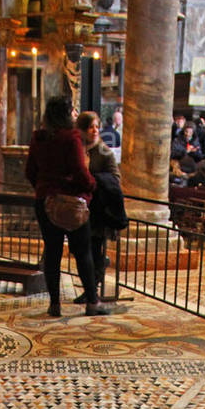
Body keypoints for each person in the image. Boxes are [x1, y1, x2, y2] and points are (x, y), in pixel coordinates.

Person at [25, 95, 109, 318]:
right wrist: (91, 186)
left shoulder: (38, 137)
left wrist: (44, 188)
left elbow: (30, 171)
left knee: (51, 252)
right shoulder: (70, 138)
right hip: (72, 203)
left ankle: (54, 304)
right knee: (82, 252)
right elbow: (80, 172)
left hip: (45, 202)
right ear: (66, 114)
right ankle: (92, 301)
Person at [76, 110, 122, 301]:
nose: (94, 130)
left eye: (96, 126)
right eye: (90, 127)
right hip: (80, 208)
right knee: (81, 249)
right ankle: (90, 287)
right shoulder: (77, 149)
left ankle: (92, 290)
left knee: (94, 250)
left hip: (98, 209)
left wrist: (90, 178)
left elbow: (115, 179)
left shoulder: (104, 152)